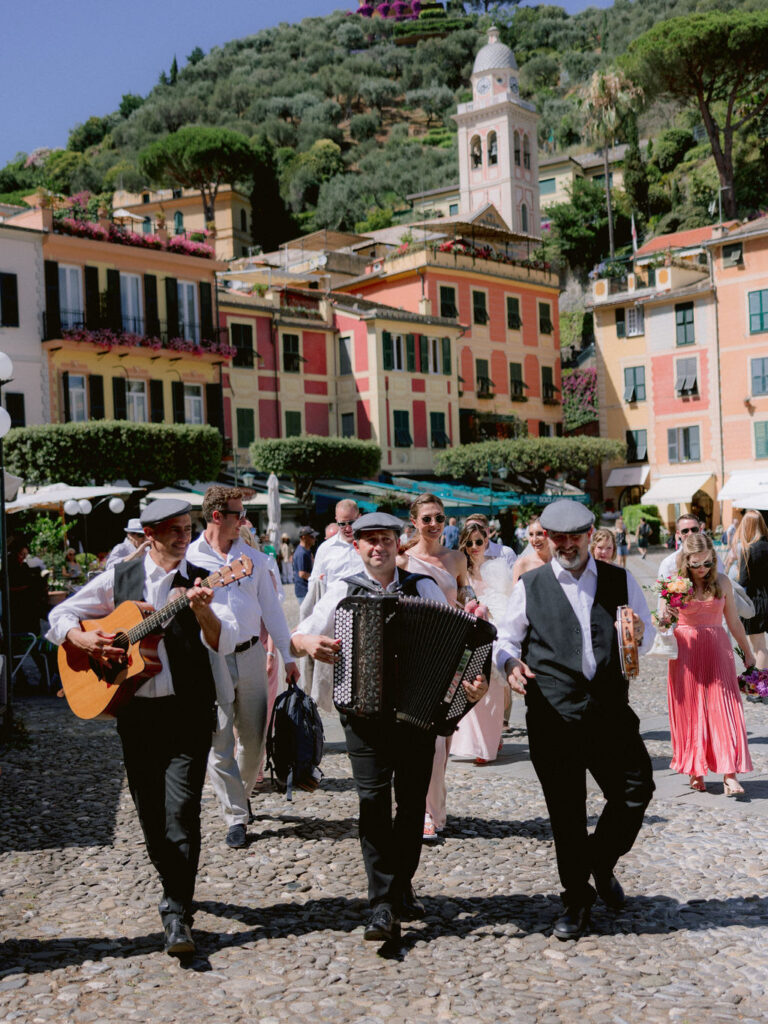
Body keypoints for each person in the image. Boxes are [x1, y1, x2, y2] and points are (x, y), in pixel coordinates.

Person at [47, 498, 239, 957]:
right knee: (151, 814)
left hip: (188, 710)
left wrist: (203, 612)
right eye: (171, 529)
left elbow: (226, 638)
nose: (182, 536)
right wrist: (84, 638)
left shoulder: (203, 579)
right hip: (136, 714)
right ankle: (172, 883)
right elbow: (59, 617)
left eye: (186, 527)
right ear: (148, 535)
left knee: (183, 812)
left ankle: (177, 912)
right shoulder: (121, 578)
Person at [290, 511, 488, 942]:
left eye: (385, 539)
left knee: (412, 804)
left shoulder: (424, 586)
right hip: (362, 715)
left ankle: (401, 882)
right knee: (372, 802)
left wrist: (473, 681)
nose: (377, 547)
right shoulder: (343, 590)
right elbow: (299, 635)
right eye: (368, 540)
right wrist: (308, 643)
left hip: (417, 716)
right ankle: (381, 902)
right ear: (357, 546)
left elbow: (458, 639)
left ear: (399, 544)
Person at [495, 499, 655, 941]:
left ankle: (599, 863)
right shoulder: (531, 585)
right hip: (553, 714)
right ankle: (575, 901)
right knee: (567, 813)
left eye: (574, 537)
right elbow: (506, 639)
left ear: (590, 536)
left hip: (609, 711)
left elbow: (645, 635)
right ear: (545, 539)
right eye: (557, 538)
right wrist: (508, 665)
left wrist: (641, 636)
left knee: (636, 789)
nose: (566, 545)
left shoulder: (620, 580)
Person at [188, 487, 299, 849]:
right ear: (217, 516)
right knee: (219, 739)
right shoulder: (190, 559)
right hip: (210, 658)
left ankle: (241, 792)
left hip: (251, 653)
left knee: (253, 742)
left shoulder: (256, 559)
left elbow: (272, 612)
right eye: (238, 514)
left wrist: (288, 656)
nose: (245, 520)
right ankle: (236, 815)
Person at [398, 493, 484, 840]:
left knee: (443, 738)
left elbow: (465, 594)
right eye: (427, 519)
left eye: (439, 518)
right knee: (423, 740)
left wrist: (474, 605)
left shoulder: (456, 559)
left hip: (450, 654)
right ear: (415, 522)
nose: (434, 525)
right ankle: (422, 811)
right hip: (415, 656)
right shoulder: (402, 561)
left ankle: (434, 806)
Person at [664, 533, 754, 795]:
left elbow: (734, 622)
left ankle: (730, 773)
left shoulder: (722, 581)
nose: (702, 569)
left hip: (717, 648)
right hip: (686, 653)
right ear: (686, 561)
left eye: (706, 562)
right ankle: (696, 769)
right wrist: (666, 616)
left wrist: (747, 652)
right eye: (696, 564)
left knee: (724, 709)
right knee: (691, 710)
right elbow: (663, 624)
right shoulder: (675, 584)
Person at [451, 521, 515, 765]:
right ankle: (473, 742)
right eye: (470, 543)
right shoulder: (460, 570)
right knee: (471, 691)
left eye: (479, 541)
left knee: (493, 694)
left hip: (495, 635)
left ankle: (490, 740)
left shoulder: (497, 568)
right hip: (469, 637)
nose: (475, 546)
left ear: (486, 540)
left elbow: (509, 602)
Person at [733, 509, 768, 671]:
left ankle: (761, 689)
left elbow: (743, 581)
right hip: (765, 597)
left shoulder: (749, 550)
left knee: (759, 646)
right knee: (761, 646)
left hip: (755, 601)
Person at [307, 500, 364, 589]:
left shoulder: (369, 545)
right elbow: (314, 581)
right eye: (342, 524)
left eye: (352, 523)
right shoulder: (325, 549)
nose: (348, 528)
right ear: (336, 520)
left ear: (359, 517)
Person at [658, 513, 724, 579]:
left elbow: (720, 582)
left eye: (694, 529)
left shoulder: (713, 558)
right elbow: (663, 587)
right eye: (685, 531)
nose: (690, 534)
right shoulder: (669, 563)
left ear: (700, 530)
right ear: (678, 534)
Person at [512, 517, 550, 583]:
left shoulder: (560, 562)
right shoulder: (522, 564)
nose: (534, 539)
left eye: (539, 533)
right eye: (531, 534)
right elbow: (516, 592)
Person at [293, 527, 317, 602]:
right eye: (312, 537)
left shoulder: (307, 551)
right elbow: (302, 574)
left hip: (307, 589)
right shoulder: (301, 553)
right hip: (304, 591)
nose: (314, 539)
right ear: (304, 537)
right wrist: (317, 578)